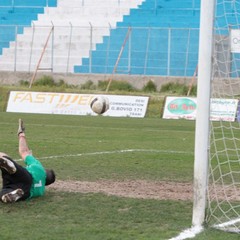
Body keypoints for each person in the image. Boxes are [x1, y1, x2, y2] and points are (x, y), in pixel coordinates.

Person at [0, 119, 55, 203]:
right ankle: (9, 195)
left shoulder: (39, 168)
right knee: (4, 193)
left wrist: (21, 134)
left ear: (45, 172)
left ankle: (10, 166)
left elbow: (24, 151)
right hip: (25, 191)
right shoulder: (41, 191)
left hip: (27, 177)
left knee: (4, 157)